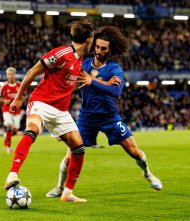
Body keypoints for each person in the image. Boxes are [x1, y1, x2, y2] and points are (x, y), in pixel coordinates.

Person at [46, 26, 163, 198]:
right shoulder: (83, 64)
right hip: (86, 118)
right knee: (70, 156)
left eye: (103, 48)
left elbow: (116, 92)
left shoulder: (114, 69)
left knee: (134, 152)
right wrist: (105, 83)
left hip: (109, 117)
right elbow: (68, 76)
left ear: (110, 50)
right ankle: (60, 187)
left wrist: (92, 80)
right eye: (97, 47)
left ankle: (147, 174)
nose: (99, 51)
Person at [4, 19, 95, 203]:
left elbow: (67, 83)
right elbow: (32, 72)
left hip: (61, 111)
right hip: (41, 102)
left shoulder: (80, 60)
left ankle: (67, 193)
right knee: (33, 130)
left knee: (78, 148)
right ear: (89, 40)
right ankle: (12, 174)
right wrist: (18, 97)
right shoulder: (61, 53)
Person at [0, 67, 22, 154]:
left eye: (12, 74)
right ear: (7, 76)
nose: (11, 76)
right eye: (9, 74)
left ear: (15, 75)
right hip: (7, 109)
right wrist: (4, 101)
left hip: (16, 110)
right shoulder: (4, 86)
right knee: (9, 125)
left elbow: (24, 95)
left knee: (15, 130)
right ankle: (9, 147)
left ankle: (6, 136)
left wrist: (20, 101)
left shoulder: (19, 85)